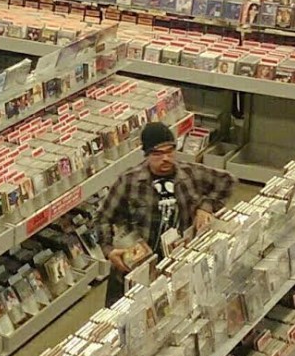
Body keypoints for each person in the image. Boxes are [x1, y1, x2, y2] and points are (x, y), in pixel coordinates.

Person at [96, 122, 235, 307]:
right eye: (157, 154)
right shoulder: (129, 182)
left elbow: (227, 180)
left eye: (170, 151)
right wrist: (109, 250)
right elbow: (102, 217)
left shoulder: (189, 173)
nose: (166, 158)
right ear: (146, 154)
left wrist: (205, 207)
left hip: (177, 267)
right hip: (136, 269)